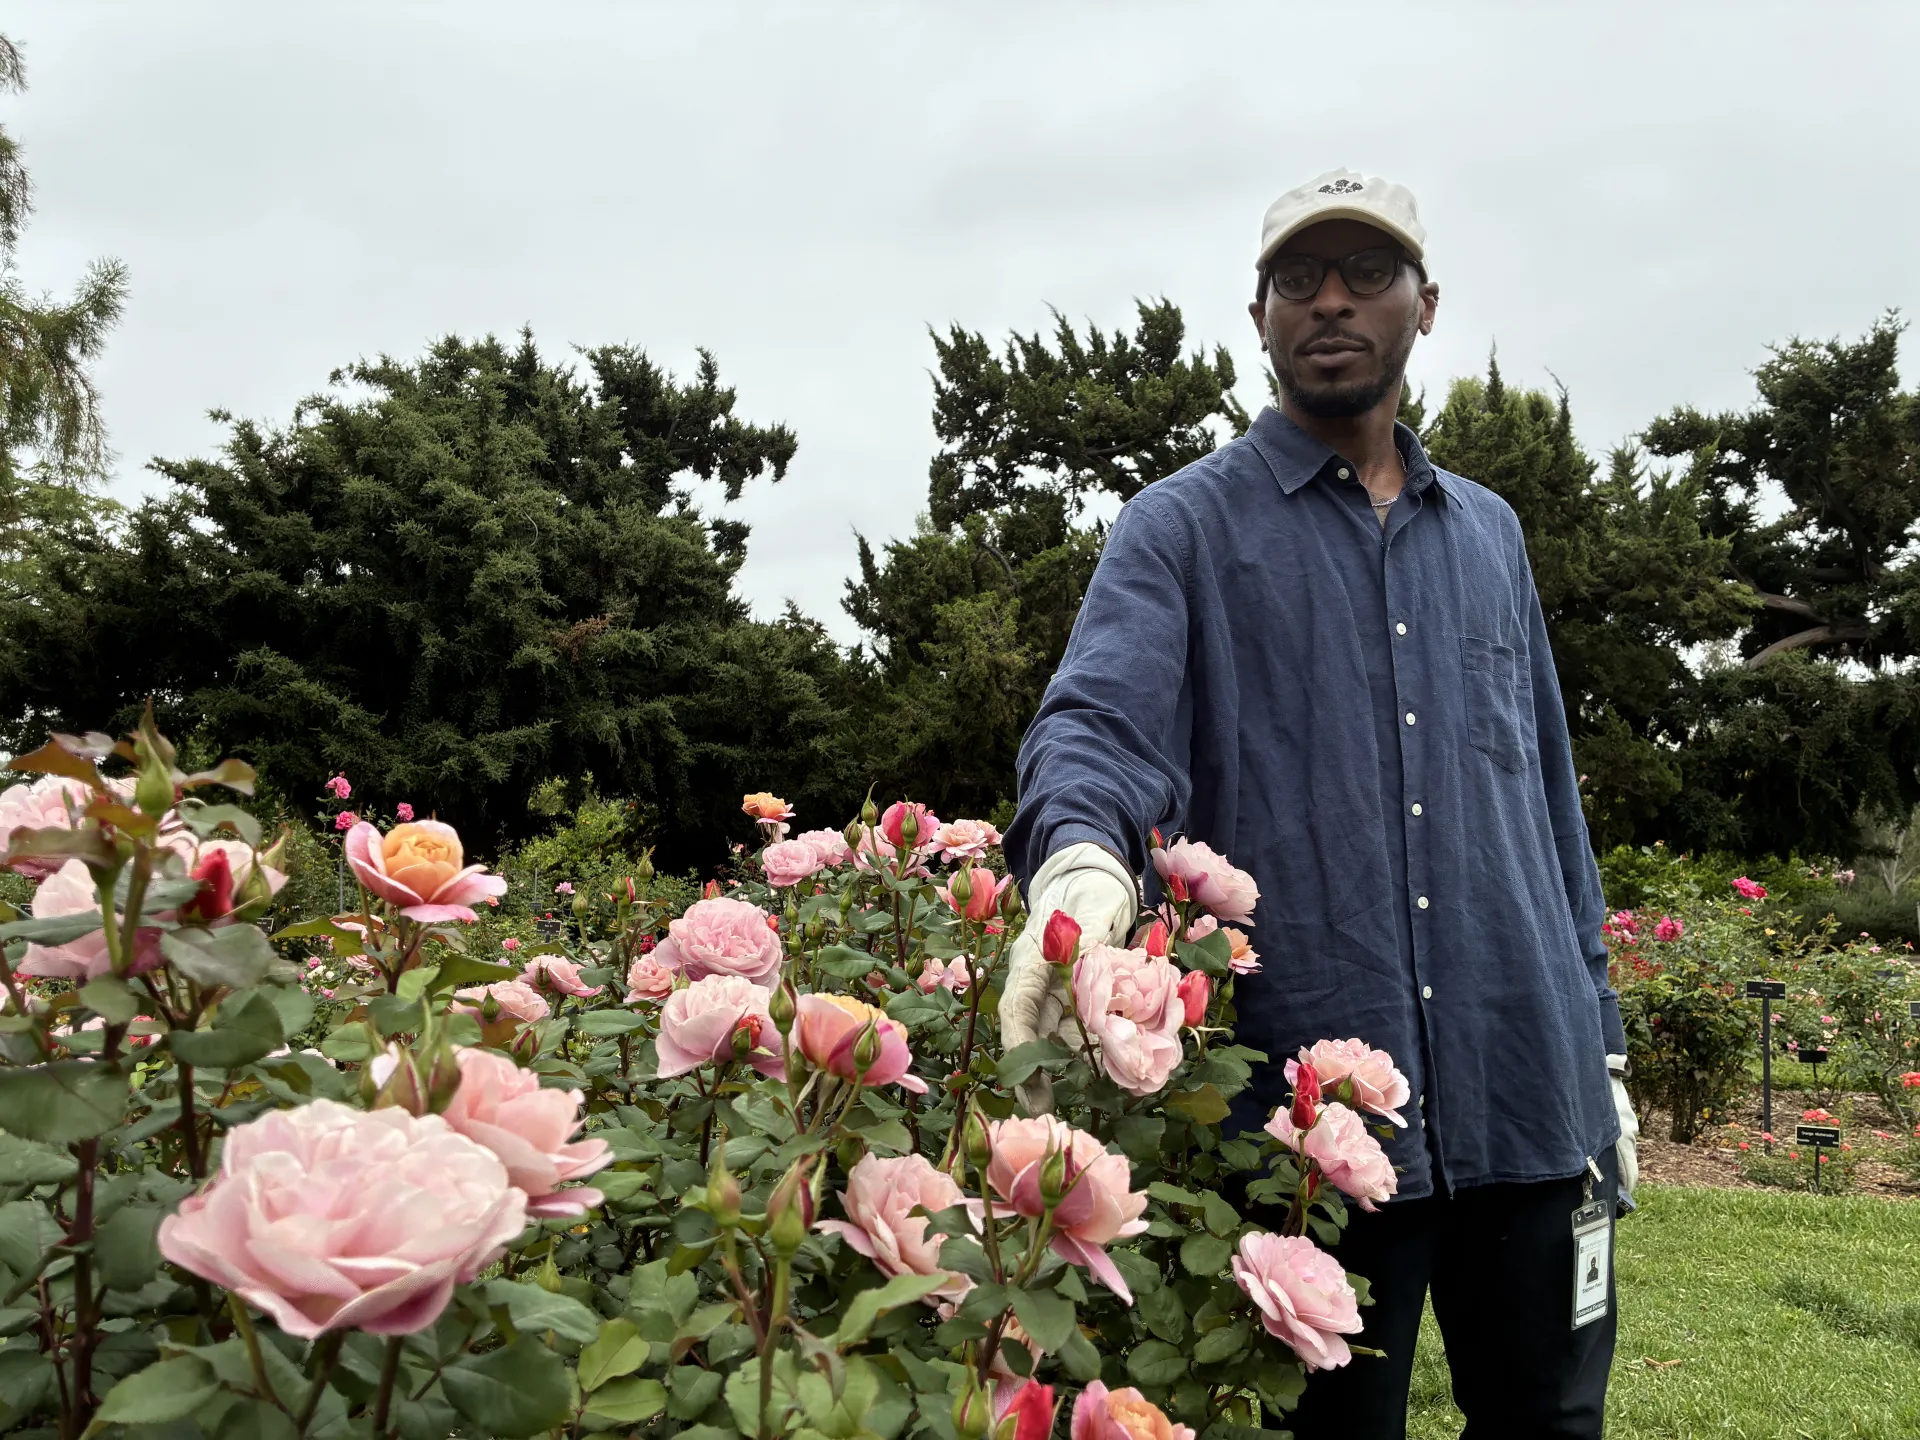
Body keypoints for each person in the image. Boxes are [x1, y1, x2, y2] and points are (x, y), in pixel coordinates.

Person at [998, 169, 1638, 1440]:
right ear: (1258, 315)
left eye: (1366, 275)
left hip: (1528, 1088)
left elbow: (1548, 802)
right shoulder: (1177, 531)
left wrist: (1601, 1038)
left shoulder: (1491, 535)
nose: (1331, 302)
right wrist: (1080, 864)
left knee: (1555, 1424)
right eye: (1300, 279)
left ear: (1426, 304)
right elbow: (1097, 726)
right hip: (1312, 1138)